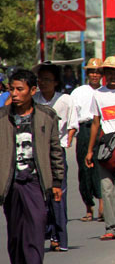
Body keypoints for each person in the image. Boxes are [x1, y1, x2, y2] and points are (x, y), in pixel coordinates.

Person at [1, 69, 64, 264]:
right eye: (12, 89)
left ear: (32, 90)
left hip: (36, 182)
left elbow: (56, 151)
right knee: (15, 233)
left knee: (37, 227)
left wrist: (57, 182)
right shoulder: (2, 117)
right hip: (11, 184)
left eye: (20, 89)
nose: (15, 94)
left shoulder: (46, 116)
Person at [85, 56, 115, 240]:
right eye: (109, 72)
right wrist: (90, 150)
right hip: (106, 148)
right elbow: (96, 123)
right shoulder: (98, 95)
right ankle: (111, 227)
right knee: (106, 189)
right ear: (105, 74)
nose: (113, 76)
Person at [33, 63, 78, 253]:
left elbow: (72, 124)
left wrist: (66, 143)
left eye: (47, 79)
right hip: (36, 153)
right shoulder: (34, 99)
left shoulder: (65, 100)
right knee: (40, 198)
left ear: (56, 82)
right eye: (40, 79)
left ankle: (59, 237)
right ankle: (45, 233)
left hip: (56, 151)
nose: (43, 83)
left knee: (58, 195)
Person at [71, 58, 104, 222]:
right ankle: (88, 207)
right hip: (84, 130)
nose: (95, 75)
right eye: (92, 71)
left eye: (98, 71)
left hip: (101, 130)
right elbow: (72, 116)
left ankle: (102, 205)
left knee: (101, 167)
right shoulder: (78, 92)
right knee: (84, 169)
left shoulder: (105, 91)